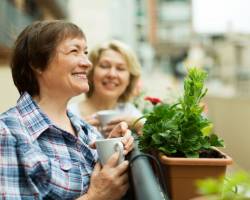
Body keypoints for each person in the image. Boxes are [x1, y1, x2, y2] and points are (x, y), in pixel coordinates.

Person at [0, 20, 134, 200]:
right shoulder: (8, 133)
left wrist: (111, 148)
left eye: (85, 52)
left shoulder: (86, 130)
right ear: (37, 64)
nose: (87, 63)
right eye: (74, 51)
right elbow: (100, 191)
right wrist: (95, 197)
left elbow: (106, 181)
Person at [68, 40, 143, 136]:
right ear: (91, 73)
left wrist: (137, 125)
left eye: (120, 68)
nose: (112, 74)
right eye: (104, 66)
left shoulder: (132, 114)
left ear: (130, 79)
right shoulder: (71, 114)